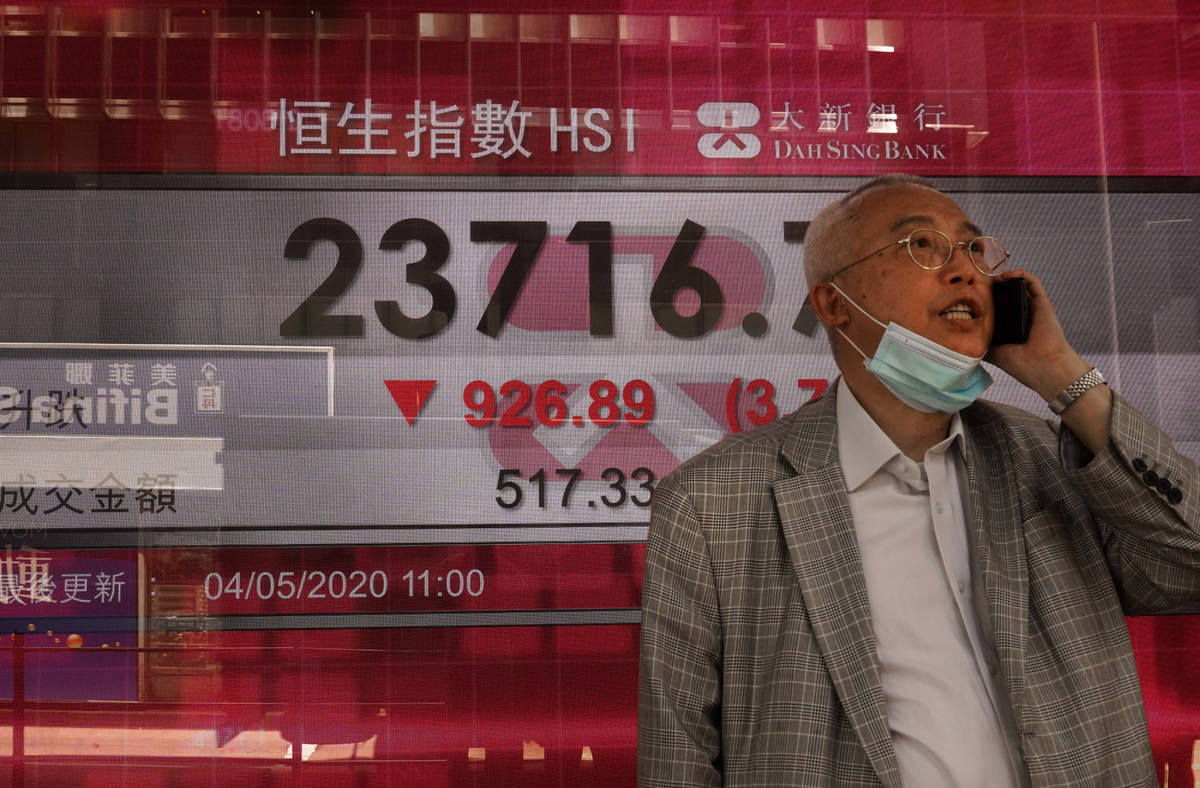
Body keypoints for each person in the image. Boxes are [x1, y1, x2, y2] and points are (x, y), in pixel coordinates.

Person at [638, 174, 1200, 787]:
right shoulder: (710, 503)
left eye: (974, 249)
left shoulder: (1050, 457)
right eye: (922, 246)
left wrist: (1059, 373)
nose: (964, 271)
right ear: (833, 304)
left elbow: (1187, 558)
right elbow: (678, 757)